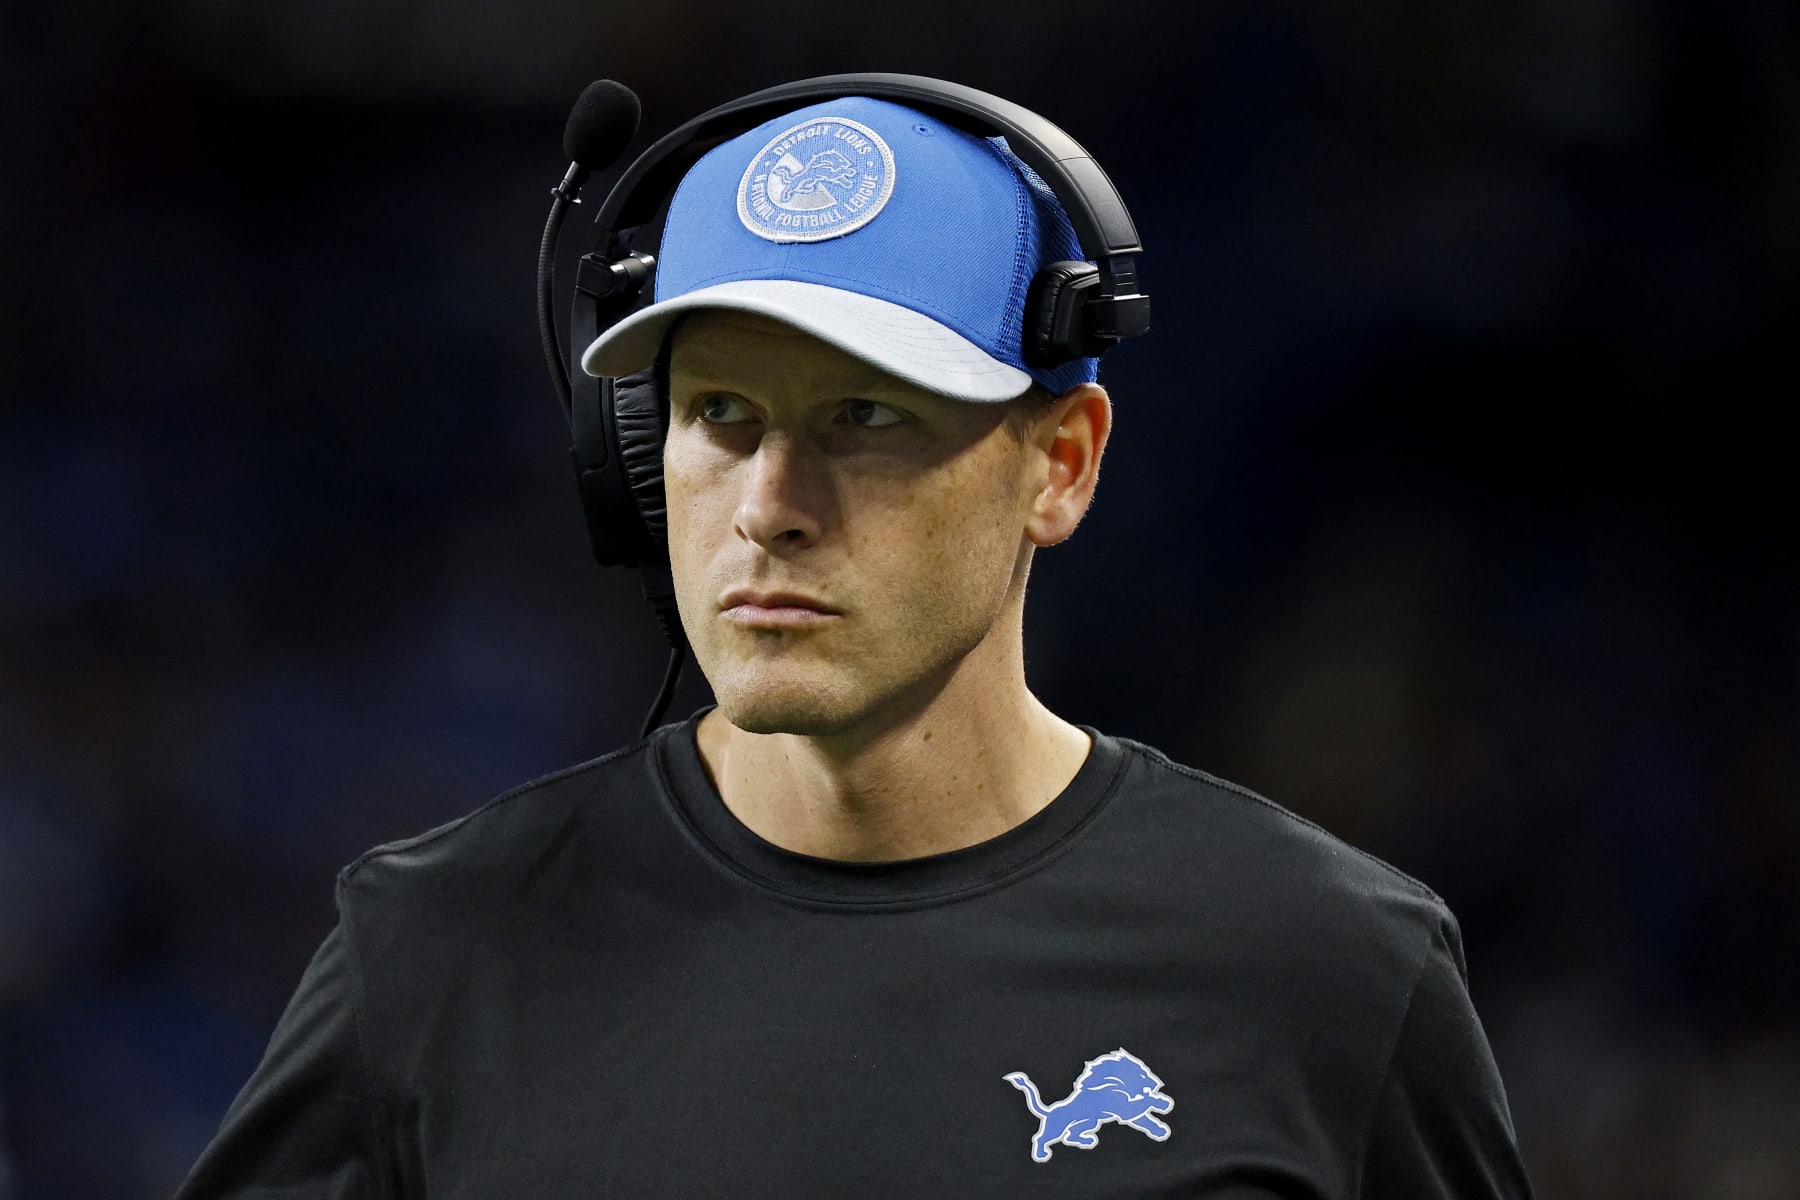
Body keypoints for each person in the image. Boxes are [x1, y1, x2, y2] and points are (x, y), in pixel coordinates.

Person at [177, 88, 1534, 1198]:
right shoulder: (433, 952)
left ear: (1059, 465)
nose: (769, 508)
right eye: (718, 416)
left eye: (865, 420)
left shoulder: (1330, 972)